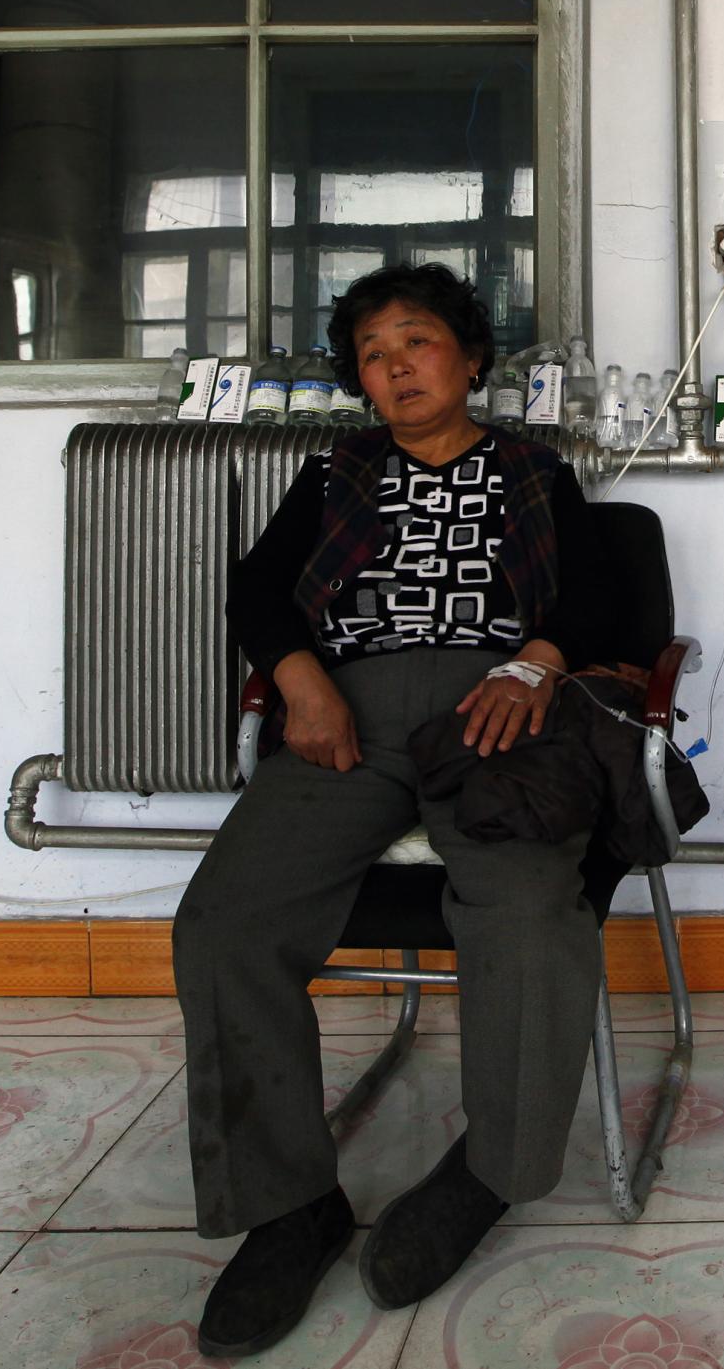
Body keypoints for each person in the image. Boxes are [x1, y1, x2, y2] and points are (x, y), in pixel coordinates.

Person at [174, 263, 611, 1359]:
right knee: (224, 923)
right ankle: (288, 1205)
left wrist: (536, 665)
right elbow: (257, 588)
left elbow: (611, 598)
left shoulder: (532, 469)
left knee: (523, 916)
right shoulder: (334, 473)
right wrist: (297, 676)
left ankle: (486, 1171)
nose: (394, 366)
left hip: (491, 710)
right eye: (372, 354)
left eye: (415, 342)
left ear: (469, 359)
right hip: (346, 712)